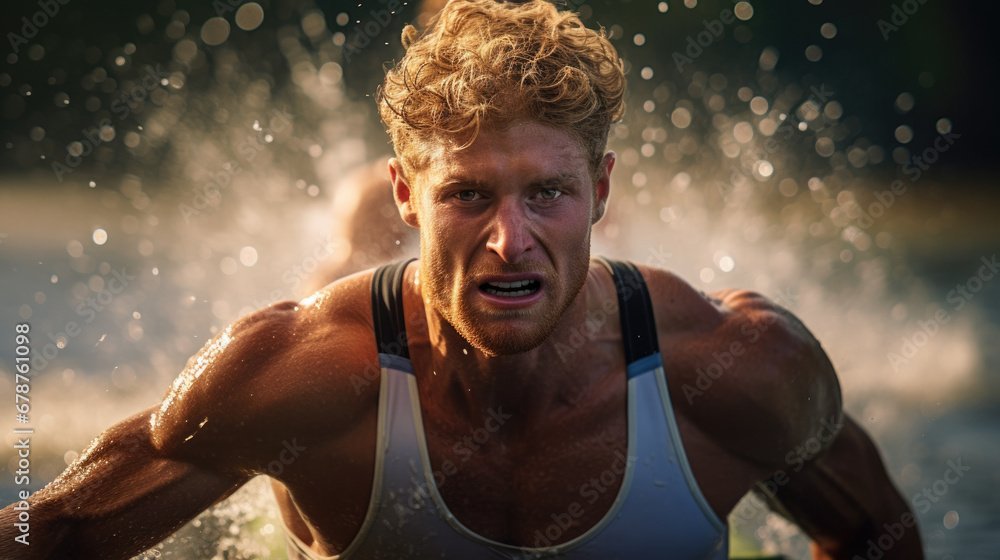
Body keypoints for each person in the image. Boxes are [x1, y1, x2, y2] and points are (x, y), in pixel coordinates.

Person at [0, 1, 924, 559]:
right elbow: (61, 535)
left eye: (549, 194)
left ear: (602, 190)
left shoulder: (741, 369)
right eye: (468, 196)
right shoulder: (294, 379)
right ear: (405, 193)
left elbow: (879, 533)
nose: (508, 241)